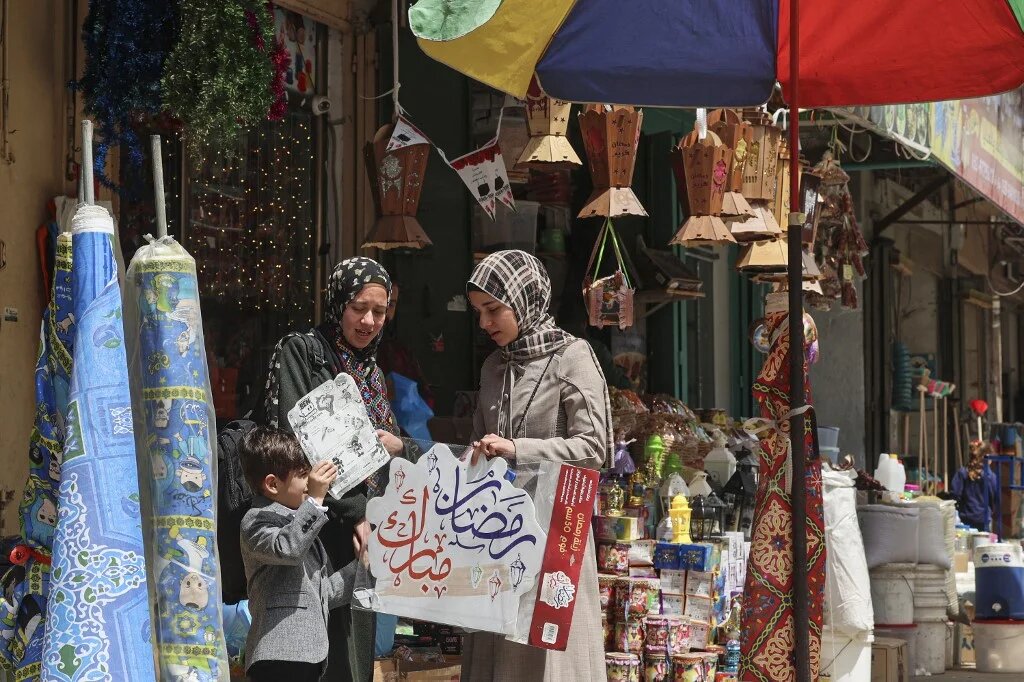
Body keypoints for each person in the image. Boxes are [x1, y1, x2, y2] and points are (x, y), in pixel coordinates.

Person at [463, 250, 610, 681]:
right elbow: (477, 440)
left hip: (556, 535)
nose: (485, 323)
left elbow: (593, 447)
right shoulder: (492, 367)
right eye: (478, 312)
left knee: (550, 657)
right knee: (498, 655)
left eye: (493, 310)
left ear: (525, 299)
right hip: (496, 537)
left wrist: (517, 449)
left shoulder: (572, 357)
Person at [264, 257, 404, 682]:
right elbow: (301, 442)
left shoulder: (373, 373)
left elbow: (380, 455)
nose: (368, 320)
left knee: (353, 658)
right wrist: (358, 510)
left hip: (362, 537)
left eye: (379, 312)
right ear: (337, 303)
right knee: (310, 655)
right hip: (311, 530)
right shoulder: (302, 352)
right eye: (359, 307)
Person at [239, 426, 358, 682]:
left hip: (307, 656)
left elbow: (322, 593)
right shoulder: (256, 521)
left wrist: (364, 566)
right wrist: (315, 500)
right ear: (272, 484)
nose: (310, 482)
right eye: (304, 475)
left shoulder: (300, 524)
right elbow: (289, 548)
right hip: (278, 655)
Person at [376, 280, 435, 409]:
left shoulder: (400, 352)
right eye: (378, 305)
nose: (384, 312)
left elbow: (425, 397)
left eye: (391, 305)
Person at [950, 440, 999, 531]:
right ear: (987, 457)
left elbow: (955, 495)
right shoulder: (991, 477)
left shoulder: (962, 473)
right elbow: (995, 498)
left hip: (965, 519)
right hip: (983, 520)